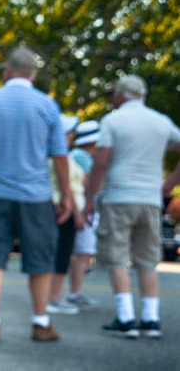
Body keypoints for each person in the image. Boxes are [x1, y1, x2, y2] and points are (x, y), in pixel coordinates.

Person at [0, 46, 75, 343]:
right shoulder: (47, 106)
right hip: (36, 196)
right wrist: (67, 195)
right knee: (40, 258)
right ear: (33, 75)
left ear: (6, 71)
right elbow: (60, 156)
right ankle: (40, 322)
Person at [84, 74, 180, 339]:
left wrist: (91, 198)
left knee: (116, 257)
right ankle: (151, 319)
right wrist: (169, 184)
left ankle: (125, 317)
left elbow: (101, 162)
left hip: (118, 197)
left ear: (120, 95)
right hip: (150, 200)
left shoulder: (112, 121)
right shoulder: (161, 122)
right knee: (147, 260)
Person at [46, 115, 86, 315]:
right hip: (65, 210)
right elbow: (67, 187)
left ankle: (53, 295)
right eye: (69, 132)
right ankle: (53, 297)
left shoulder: (64, 155)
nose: (72, 135)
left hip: (65, 208)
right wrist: (77, 214)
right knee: (62, 254)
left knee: (61, 254)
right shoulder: (59, 157)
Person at [65, 120, 102, 310]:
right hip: (85, 210)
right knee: (83, 252)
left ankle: (75, 292)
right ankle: (75, 293)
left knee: (82, 252)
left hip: (84, 209)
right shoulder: (82, 157)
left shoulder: (80, 155)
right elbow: (88, 186)